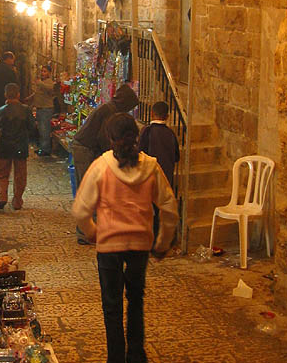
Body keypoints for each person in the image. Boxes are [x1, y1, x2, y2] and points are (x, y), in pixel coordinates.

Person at [72, 113, 178, 363]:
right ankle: (138, 362)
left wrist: (93, 232)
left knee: (112, 307)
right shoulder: (152, 167)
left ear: (109, 138)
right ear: (136, 136)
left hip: (109, 246)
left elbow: (81, 209)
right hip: (140, 244)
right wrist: (163, 241)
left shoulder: (101, 166)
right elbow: (169, 207)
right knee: (136, 300)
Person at [71, 83, 139, 243]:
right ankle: (84, 233)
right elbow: (104, 138)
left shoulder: (109, 108)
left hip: (86, 148)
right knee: (89, 191)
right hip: (84, 149)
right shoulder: (110, 112)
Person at [138, 101, 180, 241]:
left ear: (151, 113)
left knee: (151, 210)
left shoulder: (147, 131)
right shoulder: (171, 134)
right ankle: (167, 239)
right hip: (167, 177)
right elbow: (176, 156)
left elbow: (140, 153)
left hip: (150, 177)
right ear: (167, 116)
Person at [0, 82, 37, 212]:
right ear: (18, 95)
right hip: (20, 145)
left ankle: (2, 196)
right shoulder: (26, 110)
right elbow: (32, 128)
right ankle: (17, 200)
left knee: (2, 173)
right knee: (20, 174)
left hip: (4, 146)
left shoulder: (1, 111)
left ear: (5, 95)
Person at [25, 64, 58, 156]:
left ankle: (46, 149)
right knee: (41, 129)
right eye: (42, 71)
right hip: (40, 108)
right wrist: (29, 98)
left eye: (45, 71)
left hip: (46, 109)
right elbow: (37, 93)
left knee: (45, 130)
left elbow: (50, 88)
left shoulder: (49, 82)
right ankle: (42, 147)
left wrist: (39, 83)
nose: (43, 73)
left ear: (49, 73)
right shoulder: (42, 82)